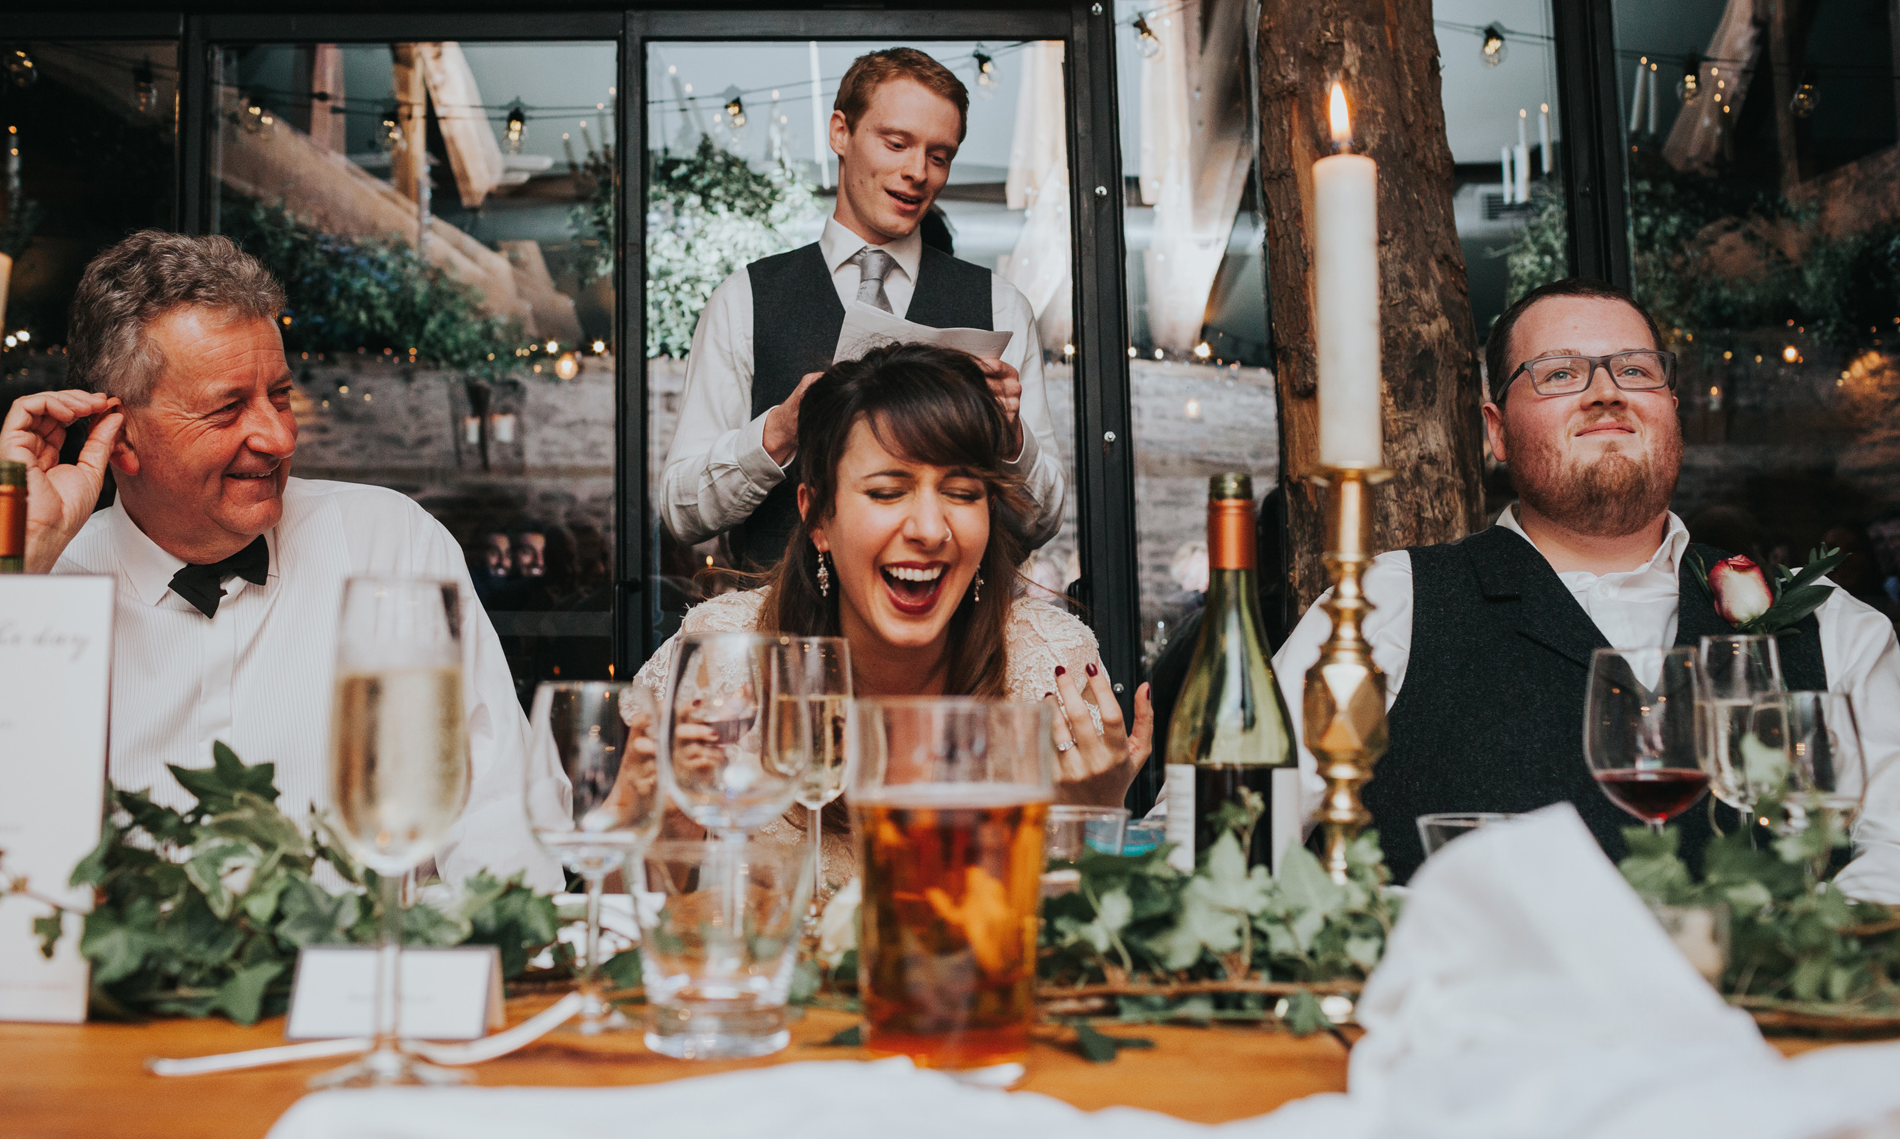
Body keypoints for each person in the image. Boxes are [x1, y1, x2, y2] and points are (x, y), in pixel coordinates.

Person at [1272, 278, 1900, 894]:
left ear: (1672, 411)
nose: (1606, 393)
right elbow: (1224, 837)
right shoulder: (1387, 608)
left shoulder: (1832, 624)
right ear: (1496, 430)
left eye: (1634, 370)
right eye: (1560, 373)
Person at [0, 230, 564, 890]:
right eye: (228, 408)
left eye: (281, 395)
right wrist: (18, 570)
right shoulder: (39, 590)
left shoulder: (390, 546)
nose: (278, 436)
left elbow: (504, 820)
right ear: (117, 436)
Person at [636, 342, 1151, 882]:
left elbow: (1082, 934)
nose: (930, 530)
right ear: (817, 517)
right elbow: (623, 919)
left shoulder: (1050, 662)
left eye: (961, 492)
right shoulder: (723, 654)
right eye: (886, 492)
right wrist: (663, 819)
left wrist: (1094, 816)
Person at [659, 47, 1067, 569]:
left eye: (939, 156)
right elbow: (681, 512)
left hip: (947, 639)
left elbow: (1042, 521)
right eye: (896, 143)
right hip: (786, 641)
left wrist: (1011, 437)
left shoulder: (1001, 306)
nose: (917, 171)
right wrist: (779, 432)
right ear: (840, 133)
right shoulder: (743, 300)